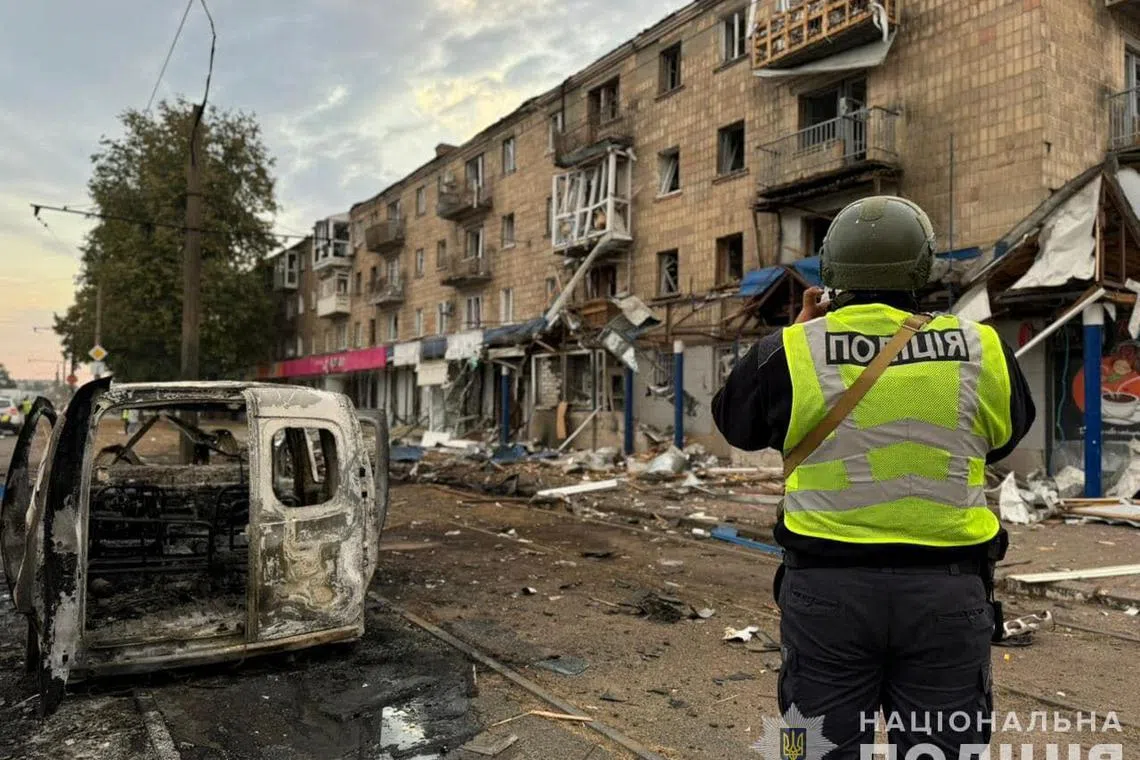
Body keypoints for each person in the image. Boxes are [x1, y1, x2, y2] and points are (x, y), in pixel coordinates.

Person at [712, 196, 1035, 757]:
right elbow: (1006, 436)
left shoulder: (789, 351)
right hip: (949, 593)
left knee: (817, 749)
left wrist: (800, 333)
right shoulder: (982, 347)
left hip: (826, 594)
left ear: (831, 273)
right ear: (922, 268)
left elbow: (736, 424)